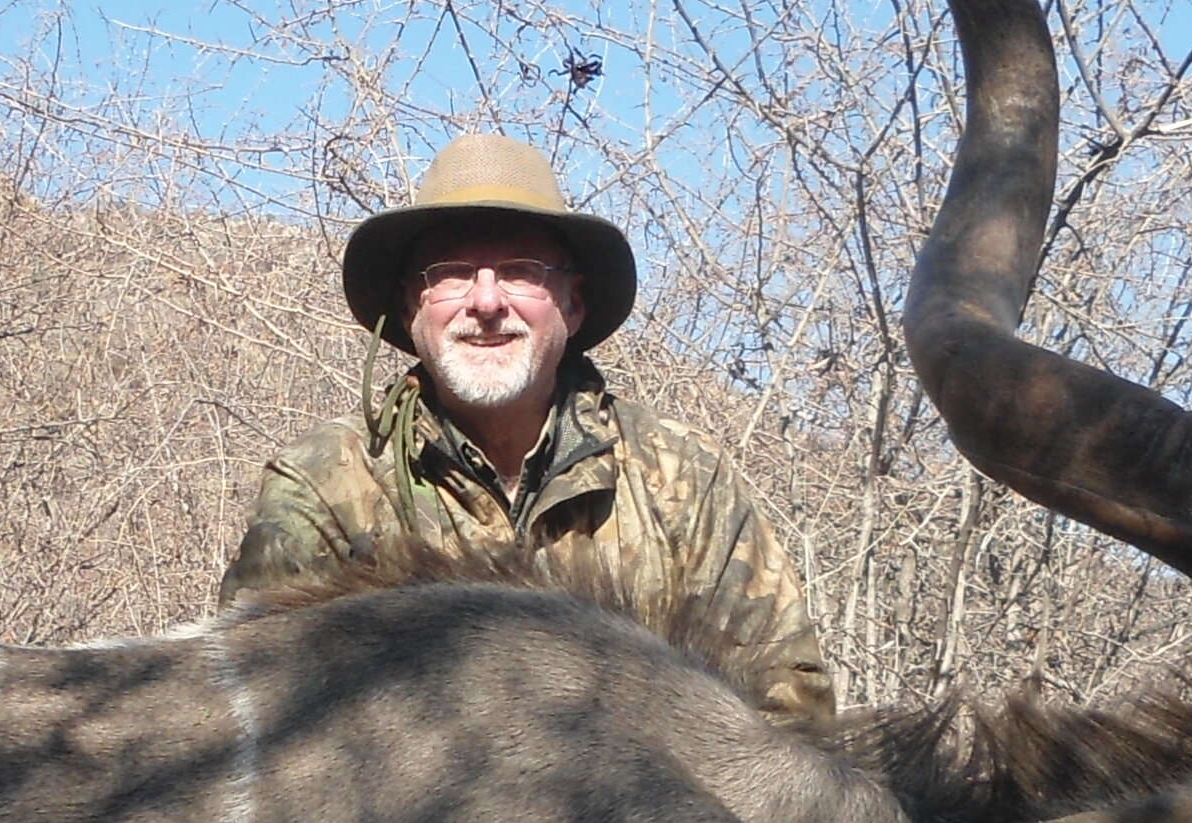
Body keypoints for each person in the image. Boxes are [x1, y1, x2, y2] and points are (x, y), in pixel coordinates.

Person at [219, 133, 836, 725]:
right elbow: (253, 713)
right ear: (410, 310)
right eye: (453, 272)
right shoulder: (325, 481)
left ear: (572, 305)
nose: (487, 302)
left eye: (520, 271)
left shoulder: (682, 477)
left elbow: (787, 710)